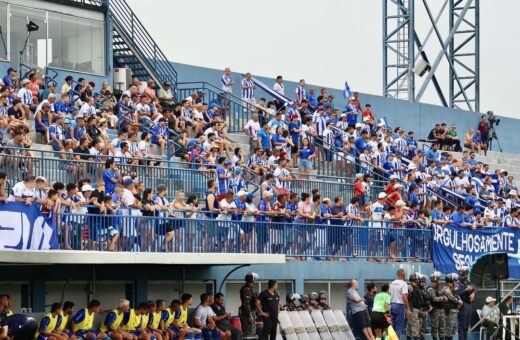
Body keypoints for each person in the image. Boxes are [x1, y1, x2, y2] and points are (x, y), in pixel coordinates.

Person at [454, 267, 476, 340]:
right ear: (460, 274)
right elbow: (456, 293)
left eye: (466, 274)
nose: (465, 276)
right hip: (463, 305)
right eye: (463, 275)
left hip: (469, 304)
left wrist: (474, 293)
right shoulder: (457, 283)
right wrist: (466, 290)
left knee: (466, 325)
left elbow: (475, 287)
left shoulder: (467, 281)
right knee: (462, 326)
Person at [426, 272, 447, 340]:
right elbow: (434, 299)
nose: (436, 282)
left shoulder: (438, 288)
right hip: (435, 311)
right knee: (435, 327)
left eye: (436, 281)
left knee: (442, 327)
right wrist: (443, 298)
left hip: (441, 309)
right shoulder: (430, 289)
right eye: (435, 281)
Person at [389, 268, 409, 337]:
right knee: (398, 327)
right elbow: (404, 297)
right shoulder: (404, 284)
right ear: (403, 274)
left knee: (392, 326)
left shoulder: (392, 283)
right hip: (399, 306)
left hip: (392, 305)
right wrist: (408, 309)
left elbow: (390, 294)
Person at [443, 273, 463, 340]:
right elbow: (451, 297)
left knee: (453, 328)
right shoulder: (446, 288)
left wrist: (459, 301)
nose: (455, 283)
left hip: (455, 310)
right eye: (454, 281)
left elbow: (457, 296)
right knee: (449, 328)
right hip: (449, 311)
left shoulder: (453, 289)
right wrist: (459, 301)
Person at [239, 272, 258, 337]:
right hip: (247, 313)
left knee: (252, 331)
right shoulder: (246, 289)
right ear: (252, 280)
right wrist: (249, 315)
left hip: (249, 312)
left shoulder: (249, 289)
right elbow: (246, 303)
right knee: (249, 332)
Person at [406, 273, 423, 340]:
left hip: (415, 309)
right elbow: (406, 297)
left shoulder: (416, 287)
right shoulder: (409, 287)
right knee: (415, 328)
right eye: (417, 279)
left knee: (410, 328)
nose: (418, 281)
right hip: (412, 310)